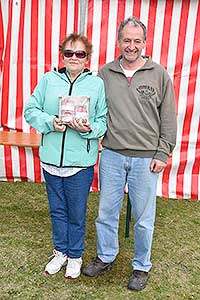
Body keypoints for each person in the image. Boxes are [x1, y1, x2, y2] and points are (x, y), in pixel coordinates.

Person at [83, 17, 177, 291]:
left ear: (144, 43)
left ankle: (141, 266)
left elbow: (168, 117)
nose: (131, 46)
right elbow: (95, 109)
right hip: (111, 154)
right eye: (127, 40)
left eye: (137, 41)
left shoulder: (158, 73)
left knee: (144, 217)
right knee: (106, 212)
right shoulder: (105, 73)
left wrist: (163, 152)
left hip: (147, 159)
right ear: (119, 41)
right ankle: (106, 256)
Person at [24, 33, 107, 279]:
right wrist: (50, 122)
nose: (74, 57)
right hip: (50, 159)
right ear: (62, 56)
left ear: (87, 58)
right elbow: (30, 110)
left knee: (76, 212)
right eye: (69, 53)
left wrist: (89, 128)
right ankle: (60, 251)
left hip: (80, 163)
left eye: (79, 53)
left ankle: (75, 255)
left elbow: (103, 121)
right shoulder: (48, 80)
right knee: (57, 210)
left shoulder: (97, 84)